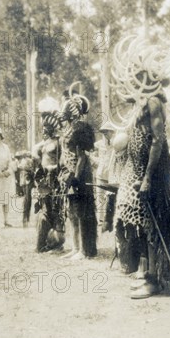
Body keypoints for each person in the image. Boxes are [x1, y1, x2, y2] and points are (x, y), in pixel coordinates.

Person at [111, 35, 170, 298]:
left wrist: (148, 178)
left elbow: (158, 140)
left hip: (147, 172)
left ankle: (154, 278)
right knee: (138, 222)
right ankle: (145, 272)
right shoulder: (141, 103)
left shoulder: (154, 103)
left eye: (140, 77)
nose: (135, 82)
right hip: (135, 169)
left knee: (150, 224)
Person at [59, 83, 98, 260]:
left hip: (80, 174)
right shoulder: (67, 129)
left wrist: (75, 177)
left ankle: (84, 249)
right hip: (69, 173)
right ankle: (75, 247)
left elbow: (81, 156)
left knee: (82, 211)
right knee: (72, 211)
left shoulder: (80, 128)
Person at [33, 99, 66, 252]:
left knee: (56, 210)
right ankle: (43, 243)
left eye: (47, 127)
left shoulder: (59, 143)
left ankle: (56, 243)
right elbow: (36, 154)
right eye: (43, 128)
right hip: (44, 182)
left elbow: (61, 163)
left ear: (53, 128)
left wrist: (53, 168)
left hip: (55, 181)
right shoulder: (44, 144)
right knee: (44, 210)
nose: (44, 130)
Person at [92, 122, 117, 232]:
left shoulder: (116, 144)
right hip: (101, 173)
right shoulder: (98, 144)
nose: (105, 134)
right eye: (103, 132)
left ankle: (110, 220)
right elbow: (92, 155)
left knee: (111, 198)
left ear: (112, 132)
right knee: (99, 197)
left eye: (107, 132)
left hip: (112, 175)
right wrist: (95, 161)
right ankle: (100, 221)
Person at [17, 151, 35, 227]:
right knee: (27, 200)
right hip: (27, 180)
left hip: (25, 180)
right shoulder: (27, 161)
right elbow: (30, 169)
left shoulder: (23, 161)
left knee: (27, 199)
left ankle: (26, 219)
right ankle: (25, 219)